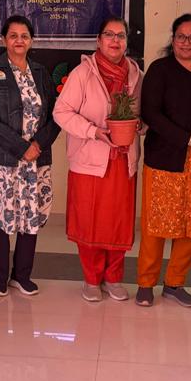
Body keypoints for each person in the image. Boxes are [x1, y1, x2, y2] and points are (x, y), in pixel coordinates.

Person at [53, 16, 143, 302]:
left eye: (121, 35)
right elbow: (61, 112)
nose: (115, 40)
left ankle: (114, 278)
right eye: (109, 35)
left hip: (123, 159)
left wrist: (140, 125)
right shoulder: (83, 73)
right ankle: (91, 280)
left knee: (118, 221)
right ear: (99, 40)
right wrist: (93, 131)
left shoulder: (135, 74)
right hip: (90, 159)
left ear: (126, 41)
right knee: (89, 220)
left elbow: (141, 114)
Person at [135, 14, 191, 308]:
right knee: (156, 224)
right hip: (164, 159)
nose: (186, 42)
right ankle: (146, 283)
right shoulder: (160, 70)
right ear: (173, 40)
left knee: (190, 225)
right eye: (181, 37)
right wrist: (189, 138)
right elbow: (150, 114)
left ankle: (175, 283)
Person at [0, 15, 60, 297]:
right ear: (4, 40)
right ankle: (0, 277)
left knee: (31, 215)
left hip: (36, 160)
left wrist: (38, 144)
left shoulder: (41, 72)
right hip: (0, 160)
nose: (19, 40)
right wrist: (21, 147)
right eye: (13, 35)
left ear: (31, 40)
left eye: (24, 35)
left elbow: (56, 116)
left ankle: (22, 276)